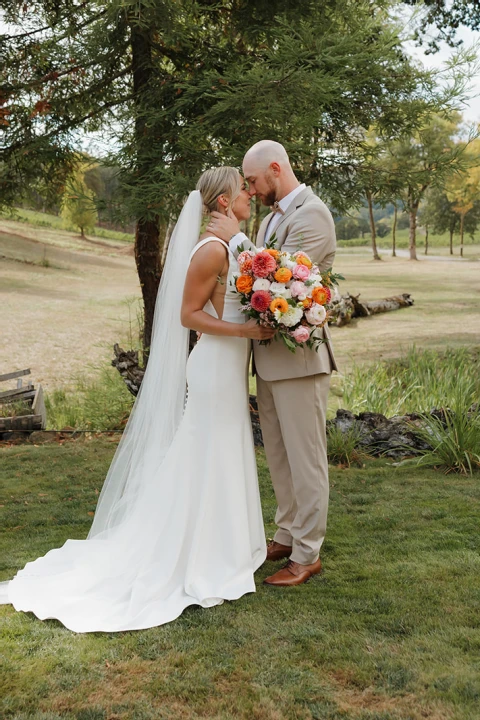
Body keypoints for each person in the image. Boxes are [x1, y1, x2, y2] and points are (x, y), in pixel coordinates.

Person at [0, 167, 274, 633]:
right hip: (212, 369)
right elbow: (188, 316)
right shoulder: (211, 251)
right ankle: (195, 552)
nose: (250, 193)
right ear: (224, 203)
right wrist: (247, 330)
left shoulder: (235, 247)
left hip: (229, 370)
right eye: (242, 189)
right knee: (204, 451)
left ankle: (224, 545)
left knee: (223, 450)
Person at [207, 140, 337, 587]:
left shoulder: (313, 215)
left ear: (276, 169)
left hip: (300, 362)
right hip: (268, 359)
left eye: (256, 180)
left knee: (306, 461)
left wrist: (236, 239)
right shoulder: (272, 217)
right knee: (279, 456)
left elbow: (284, 273)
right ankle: (286, 533)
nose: (252, 188)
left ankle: (307, 553)